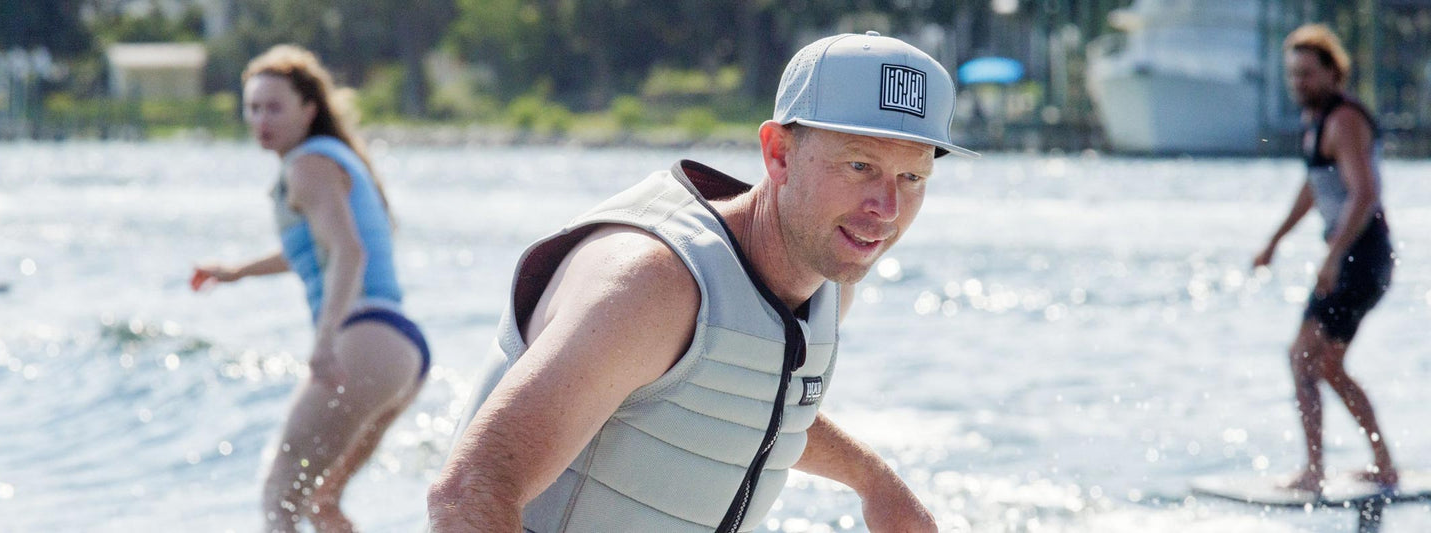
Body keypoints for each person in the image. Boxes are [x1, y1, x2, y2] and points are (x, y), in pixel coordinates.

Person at [429, 32, 977, 532]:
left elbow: (735, 398)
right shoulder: (651, 285)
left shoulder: (826, 281)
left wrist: (874, 481)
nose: (886, 208)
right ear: (779, 154)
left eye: (912, 177)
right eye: (859, 166)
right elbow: (468, 492)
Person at [190, 45, 429, 532]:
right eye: (253, 108)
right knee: (321, 504)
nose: (261, 120)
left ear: (308, 109)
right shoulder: (332, 158)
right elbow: (316, 249)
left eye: (275, 108)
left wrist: (324, 342)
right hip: (400, 348)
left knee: (278, 495)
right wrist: (235, 272)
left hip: (363, 338)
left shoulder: (307, 166)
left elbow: (348, 253)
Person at [1254, 24, 1397, 493]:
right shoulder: (1315, 122)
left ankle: (1314, 471)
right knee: (1325, 366)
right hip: (1354, 257)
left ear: (1334, 73)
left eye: (1307, 74)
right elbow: (1314, 188)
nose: (1298, 83)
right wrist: (1275, 241)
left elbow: (1364, 193)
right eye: (1293, 74)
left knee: (1303, 358)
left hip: (1363, 257)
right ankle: (1382, 464)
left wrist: (1334, 257)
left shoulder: (1344, 120)